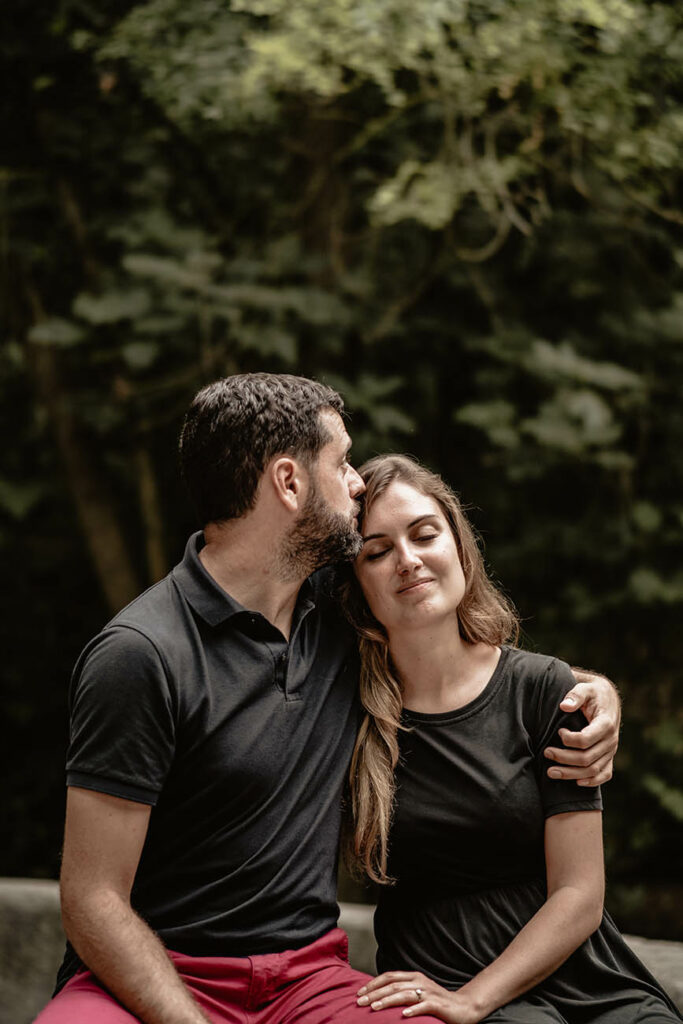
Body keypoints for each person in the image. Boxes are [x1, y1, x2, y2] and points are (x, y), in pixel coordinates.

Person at [35, 375, 621, 1024]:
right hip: (148, 976)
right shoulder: (141, 655)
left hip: (305, 981)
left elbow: (462, 660)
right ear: (288, 483)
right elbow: (91, 899)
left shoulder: (340, 619)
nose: (356, 482)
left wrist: (595, 693)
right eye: (340, 462)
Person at [340, 454, 681, 1024]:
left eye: (425, 535)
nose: (408, 560)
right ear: (356, 587)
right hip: (441, 973)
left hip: (580, 971)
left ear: (460, 549)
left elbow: (580, 894)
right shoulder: (345, 712)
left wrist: (602, 691)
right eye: (376, 552)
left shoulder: (546, 690)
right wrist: (468, 1001)